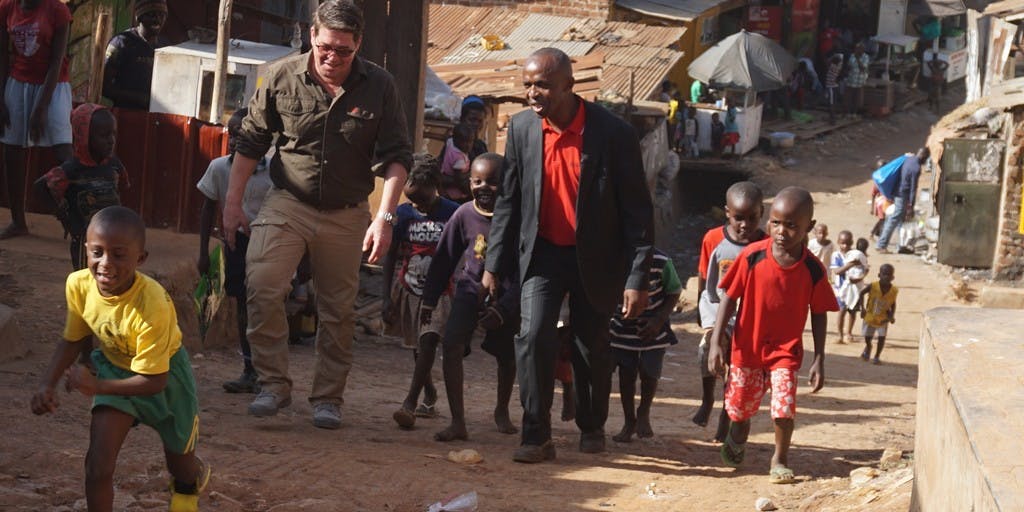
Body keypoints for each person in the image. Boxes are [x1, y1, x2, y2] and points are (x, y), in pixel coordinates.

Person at [222, 0, 412, 429]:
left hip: (346, 213)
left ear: (358, 45)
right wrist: (232, 204)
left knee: (337, 309)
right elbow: (250, 142)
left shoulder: (380, 86)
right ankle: (272, 384)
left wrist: (385, 217)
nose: (333, 58)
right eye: (326, 47)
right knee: (264, 283)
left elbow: (398, 156)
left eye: (344, 51)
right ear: (312, 36)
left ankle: (328, 398)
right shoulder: (281, 76)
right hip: (288, 200)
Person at [482, 47, 654, 463]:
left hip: (596, 257)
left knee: (589, 343)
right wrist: (493, 264)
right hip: (541, 254)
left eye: (542, 85)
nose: (533, 94)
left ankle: (592, 425)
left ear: (568, 86)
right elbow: (509, 202)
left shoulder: (612, 135)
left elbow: (638, 213)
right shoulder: (523, 130)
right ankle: (536, 433)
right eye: (527, 85)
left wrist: (636, 278)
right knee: (533, 335)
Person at [30, 206, 210, 511]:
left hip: (166, 377)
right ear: (85, 250)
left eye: (118, 254)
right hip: (114, 367)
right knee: (97, 467)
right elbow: (72, 338)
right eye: (97, 252)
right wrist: (47, 384)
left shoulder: (152, 303)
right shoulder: (78, 285)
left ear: (141, 259)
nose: (105, 263)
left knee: (181, 466)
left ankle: (189, 484)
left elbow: (155, 381)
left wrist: (97, 386)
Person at [708, 187, 838, 484]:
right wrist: (717, 342)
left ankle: (779, 458)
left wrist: (819, 358)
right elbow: (729, 297)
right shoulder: (752, 257)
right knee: (739, 410)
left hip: (785, 352)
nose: (782, 231)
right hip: (747, 347)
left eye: (792, 225)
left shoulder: (812, 269)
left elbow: (819, 312)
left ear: (810, 227)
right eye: (776, 223)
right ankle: (738, 435)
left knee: (784, 408)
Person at [400, 153, 520, 441]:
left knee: (506, 356)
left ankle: (501, 409)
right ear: (469, 183)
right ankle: (458, 421)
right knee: (451, 346)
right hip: (468, 290)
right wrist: (429, 300)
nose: (484, 188)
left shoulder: (517, 217)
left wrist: (504, 307)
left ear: (505, 183)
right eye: (477, 181)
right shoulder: (464, 214)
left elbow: (524, 269)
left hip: (505, 295)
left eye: (492, 182)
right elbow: (443, 259)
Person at [195, 107, 271, 393]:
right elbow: (207, 209)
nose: (236, 141)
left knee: (264, 306)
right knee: (242, 306)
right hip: (235, 244)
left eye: (243, 134)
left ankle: (268, 373)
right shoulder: (218, 168)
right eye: (232, 134)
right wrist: (204, 252)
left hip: (266, 244)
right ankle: (250, 370)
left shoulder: (274, 173)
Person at [382, 153, 458, 419]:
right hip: (409, 288)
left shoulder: (452, 212)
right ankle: (429, 392)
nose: (418, 206)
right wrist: (385, 298)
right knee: (417, 346)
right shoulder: (402, 214)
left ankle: (409, 403)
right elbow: (391, 255)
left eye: (423, 199)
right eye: (412, 199)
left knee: (428, 341)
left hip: (441, 292)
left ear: (435, 185)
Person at [694, 181, 765, 442]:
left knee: (736, 372)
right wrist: (702, 314)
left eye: (751, 218)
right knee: (707, 352)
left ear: (762, 213)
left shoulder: (767, 244)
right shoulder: (713, 239)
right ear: (727, 213)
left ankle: (725, 419)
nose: (745, 225)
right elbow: (704, 277)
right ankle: (706, 399)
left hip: (749, 318)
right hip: (717, 310)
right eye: (738, 218)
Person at [0, 0, 74, 239]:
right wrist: (1, 98)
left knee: (64, 152)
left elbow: (56, 61)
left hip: (53, 86)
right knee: (12, 150)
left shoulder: (58, 11)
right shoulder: (6, 8)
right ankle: (18, 221)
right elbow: (3, 56)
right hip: (18, 83)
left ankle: (79, 219)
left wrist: (41, 107)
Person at [35, 104, 124, 270]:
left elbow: (120, 189)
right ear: (84, 136)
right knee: (86, 281)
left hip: (113, 236)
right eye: (103, 135)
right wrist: (63, 214)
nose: (111, 140)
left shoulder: (113, 164)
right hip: (85, 240)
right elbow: (41, 186)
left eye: (113, 134)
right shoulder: (71, 170)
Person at [609, 247, 680, 443]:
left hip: (653, 331)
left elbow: (674, 291)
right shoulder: (613, 258)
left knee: (650, 373)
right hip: (623, 330)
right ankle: (629, 420)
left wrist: (658, 320)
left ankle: (644, 411)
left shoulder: (660, 260)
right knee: (626, 375)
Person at [102, 0, 168, 110]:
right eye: (151, 15)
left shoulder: (165, 46)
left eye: (162, 15)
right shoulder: (121, 43)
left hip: (155, 116)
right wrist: (138, 98)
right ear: (139, 17)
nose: (157, 19)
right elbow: (104, 87)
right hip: (125, 115)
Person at [877, 147, 929, 253]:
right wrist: (911, 206)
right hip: (903, 194)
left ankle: (901, 245)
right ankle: (881, 245)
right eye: (926, 158)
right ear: (924, 156)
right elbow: (913, 188)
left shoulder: (908, 159)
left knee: (900, 220)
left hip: (897, 191)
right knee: (894, 219)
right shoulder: (916, 167)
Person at [859, 263, 897, 364]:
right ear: (879, 275)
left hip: (883, 318)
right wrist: (862, 308)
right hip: (870, 316)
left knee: (881, 337)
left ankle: (877, 356)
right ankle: (868, 346)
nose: (886, 276)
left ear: (892, 277)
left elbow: (893, 303)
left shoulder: (894, 290)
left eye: (889, 274)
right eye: (884, 274)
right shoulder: (873, 286)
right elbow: (861, 294)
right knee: (867, 337)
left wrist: (892, 315)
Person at [830, 230, 857, 343]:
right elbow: (837, 271)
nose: (844, 246)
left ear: (851, 242)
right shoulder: (836, 255)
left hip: (854, 289)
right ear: (838, 242)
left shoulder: (855, 255)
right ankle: (840, 335)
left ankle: (849, 332)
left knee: (852, 311)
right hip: (840, 290)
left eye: (847, 243)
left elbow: (862, 269)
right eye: (842, 243)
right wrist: (850, 265)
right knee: (842, 311)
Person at [439, 123, 474, 203]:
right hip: (455, 193)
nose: (468, 145)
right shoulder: (459, 159)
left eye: (470, 142)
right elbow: (458, 179)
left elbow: (447, 139)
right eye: (464, 142)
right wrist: (470, 174)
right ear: (456, 140)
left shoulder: (450, 142)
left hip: (444, 174)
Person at [844, 43, 870, 115]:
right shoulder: (852, 55)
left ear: (863, 50)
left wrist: (858, 59)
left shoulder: (866, 57)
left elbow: (863, 68)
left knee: (857, 98)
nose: (857, 50)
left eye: (859, 49)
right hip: (851, 79)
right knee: (849, 97)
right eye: (856, 48)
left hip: (860, 81)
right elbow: (848, 66)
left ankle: (854, 113)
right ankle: (848, 113)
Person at [824, 54, 843, 124]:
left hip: (831, 87)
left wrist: (832, 57)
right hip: (834, 86)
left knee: (831, 103)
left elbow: (827, 61)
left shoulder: (832, 66)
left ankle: (833, 119)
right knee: (833, 103)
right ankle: (832, 117)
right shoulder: (838, 67)